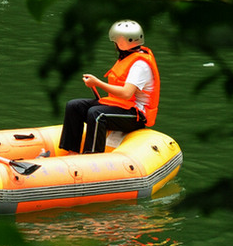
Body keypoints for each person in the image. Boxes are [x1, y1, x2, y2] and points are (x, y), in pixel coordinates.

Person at [57, 20, 162, 154]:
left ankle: (92, 157)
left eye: (115, 42)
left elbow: (126, 93)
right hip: (121, 106)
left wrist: (97, 83)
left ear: (122, 42)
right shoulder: (128, 57)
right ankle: (72, 152)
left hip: (136, 115)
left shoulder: (140, 65)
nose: (115, 45)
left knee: (97, 114)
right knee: (74, 106)